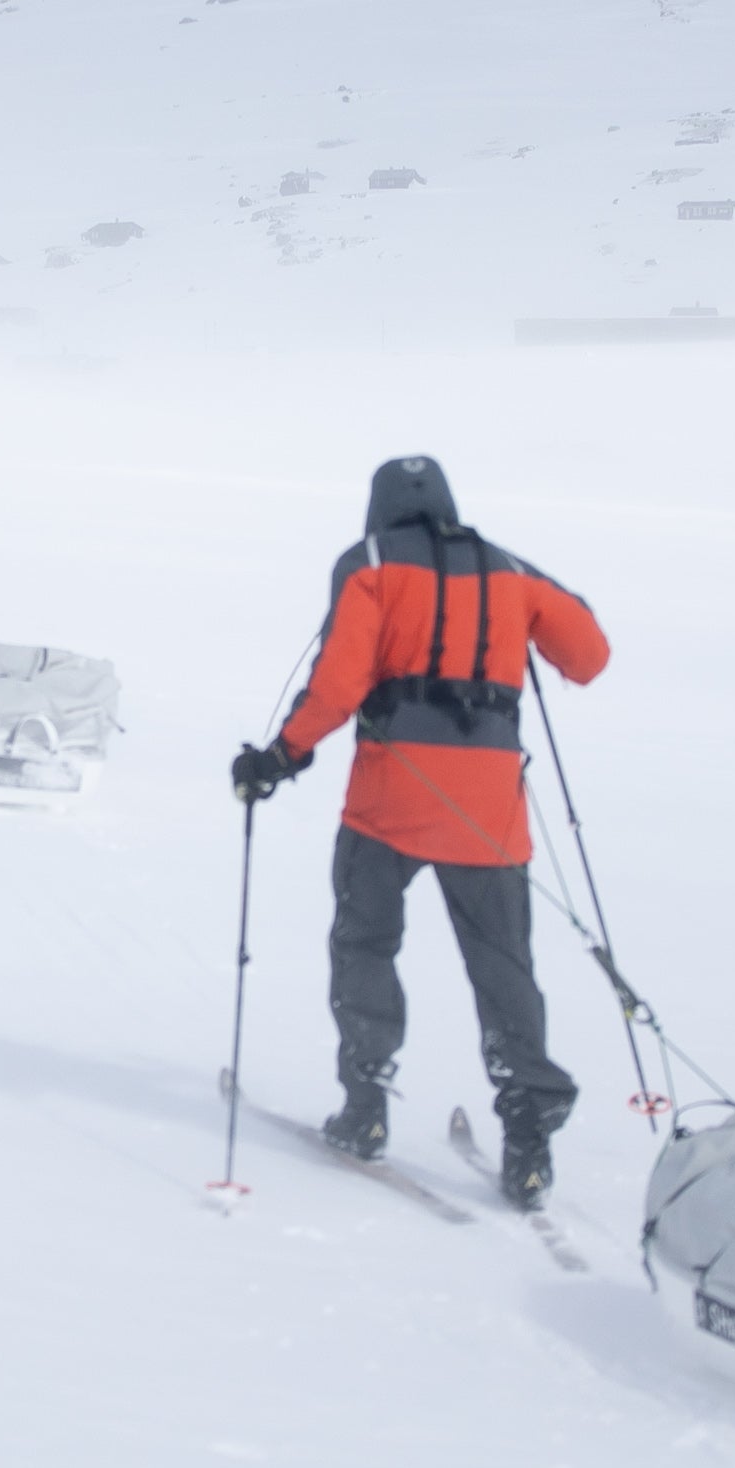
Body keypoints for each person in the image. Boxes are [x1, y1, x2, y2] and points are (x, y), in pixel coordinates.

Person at [230, 456, 610, 1208]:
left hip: (389, 801)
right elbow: (589, 658)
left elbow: (338, 685)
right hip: (489, 812)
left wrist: (279, 759)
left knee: (365, 946)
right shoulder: (508, 569)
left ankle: (365, 1107)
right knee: (503, 968)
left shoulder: (367, 565)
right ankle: (529, 1137)